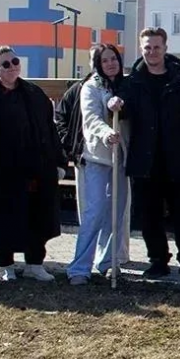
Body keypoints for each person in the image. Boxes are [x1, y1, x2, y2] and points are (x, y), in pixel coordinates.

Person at [0, 46, 67, 282]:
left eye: (15, 61)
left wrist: (59, 162)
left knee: (36, 218)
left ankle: (34, 264)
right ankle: (6, 266)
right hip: (1, 174)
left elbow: (50, 132)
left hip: (36, 171)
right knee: (3, 220)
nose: (12, 67)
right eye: (5, 64)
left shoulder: (34, 92)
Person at [109, 27, 180, 281]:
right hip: (145, 161)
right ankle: (158, 260)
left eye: (156, 47)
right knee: (150, 216)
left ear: (165, 47)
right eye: (147, 48)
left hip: (177, 160)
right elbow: (123, 111)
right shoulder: (131, 83)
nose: (152, 52)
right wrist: (115, 105)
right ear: (142, 49)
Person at [66, 44, 129, 285]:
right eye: (105, 60)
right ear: (98, 64)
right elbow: (90, 118)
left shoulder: (125, 84)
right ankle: (79, 268)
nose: (111, 63)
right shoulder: (91, 86)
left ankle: (108, 262)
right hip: (97, 157)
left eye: (114, 59)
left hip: (121, 158)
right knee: (94, 212)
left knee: (117, 212)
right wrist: (106, 133)